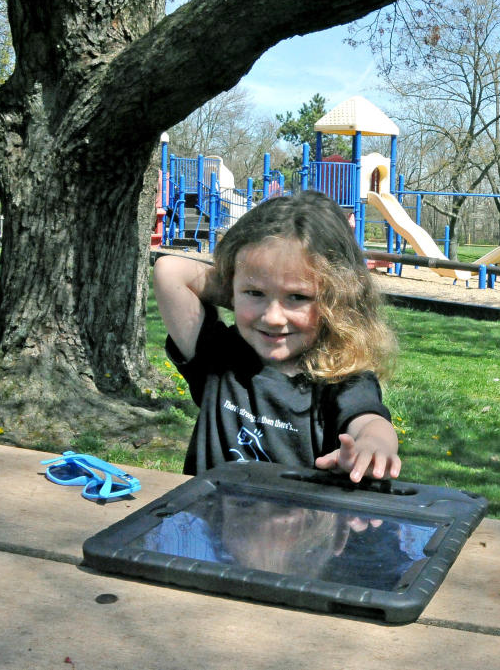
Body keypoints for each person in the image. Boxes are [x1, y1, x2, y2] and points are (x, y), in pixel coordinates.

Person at [154, 190, 401, 481]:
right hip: (209, 522)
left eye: (297, 296)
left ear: (337, 300)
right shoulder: (219, 356)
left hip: (301, 525)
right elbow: (169, 272)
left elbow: (369, 421)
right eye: (255, 293)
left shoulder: (341, 376)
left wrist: (374, 445)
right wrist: (241, 290)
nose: (272, 317)